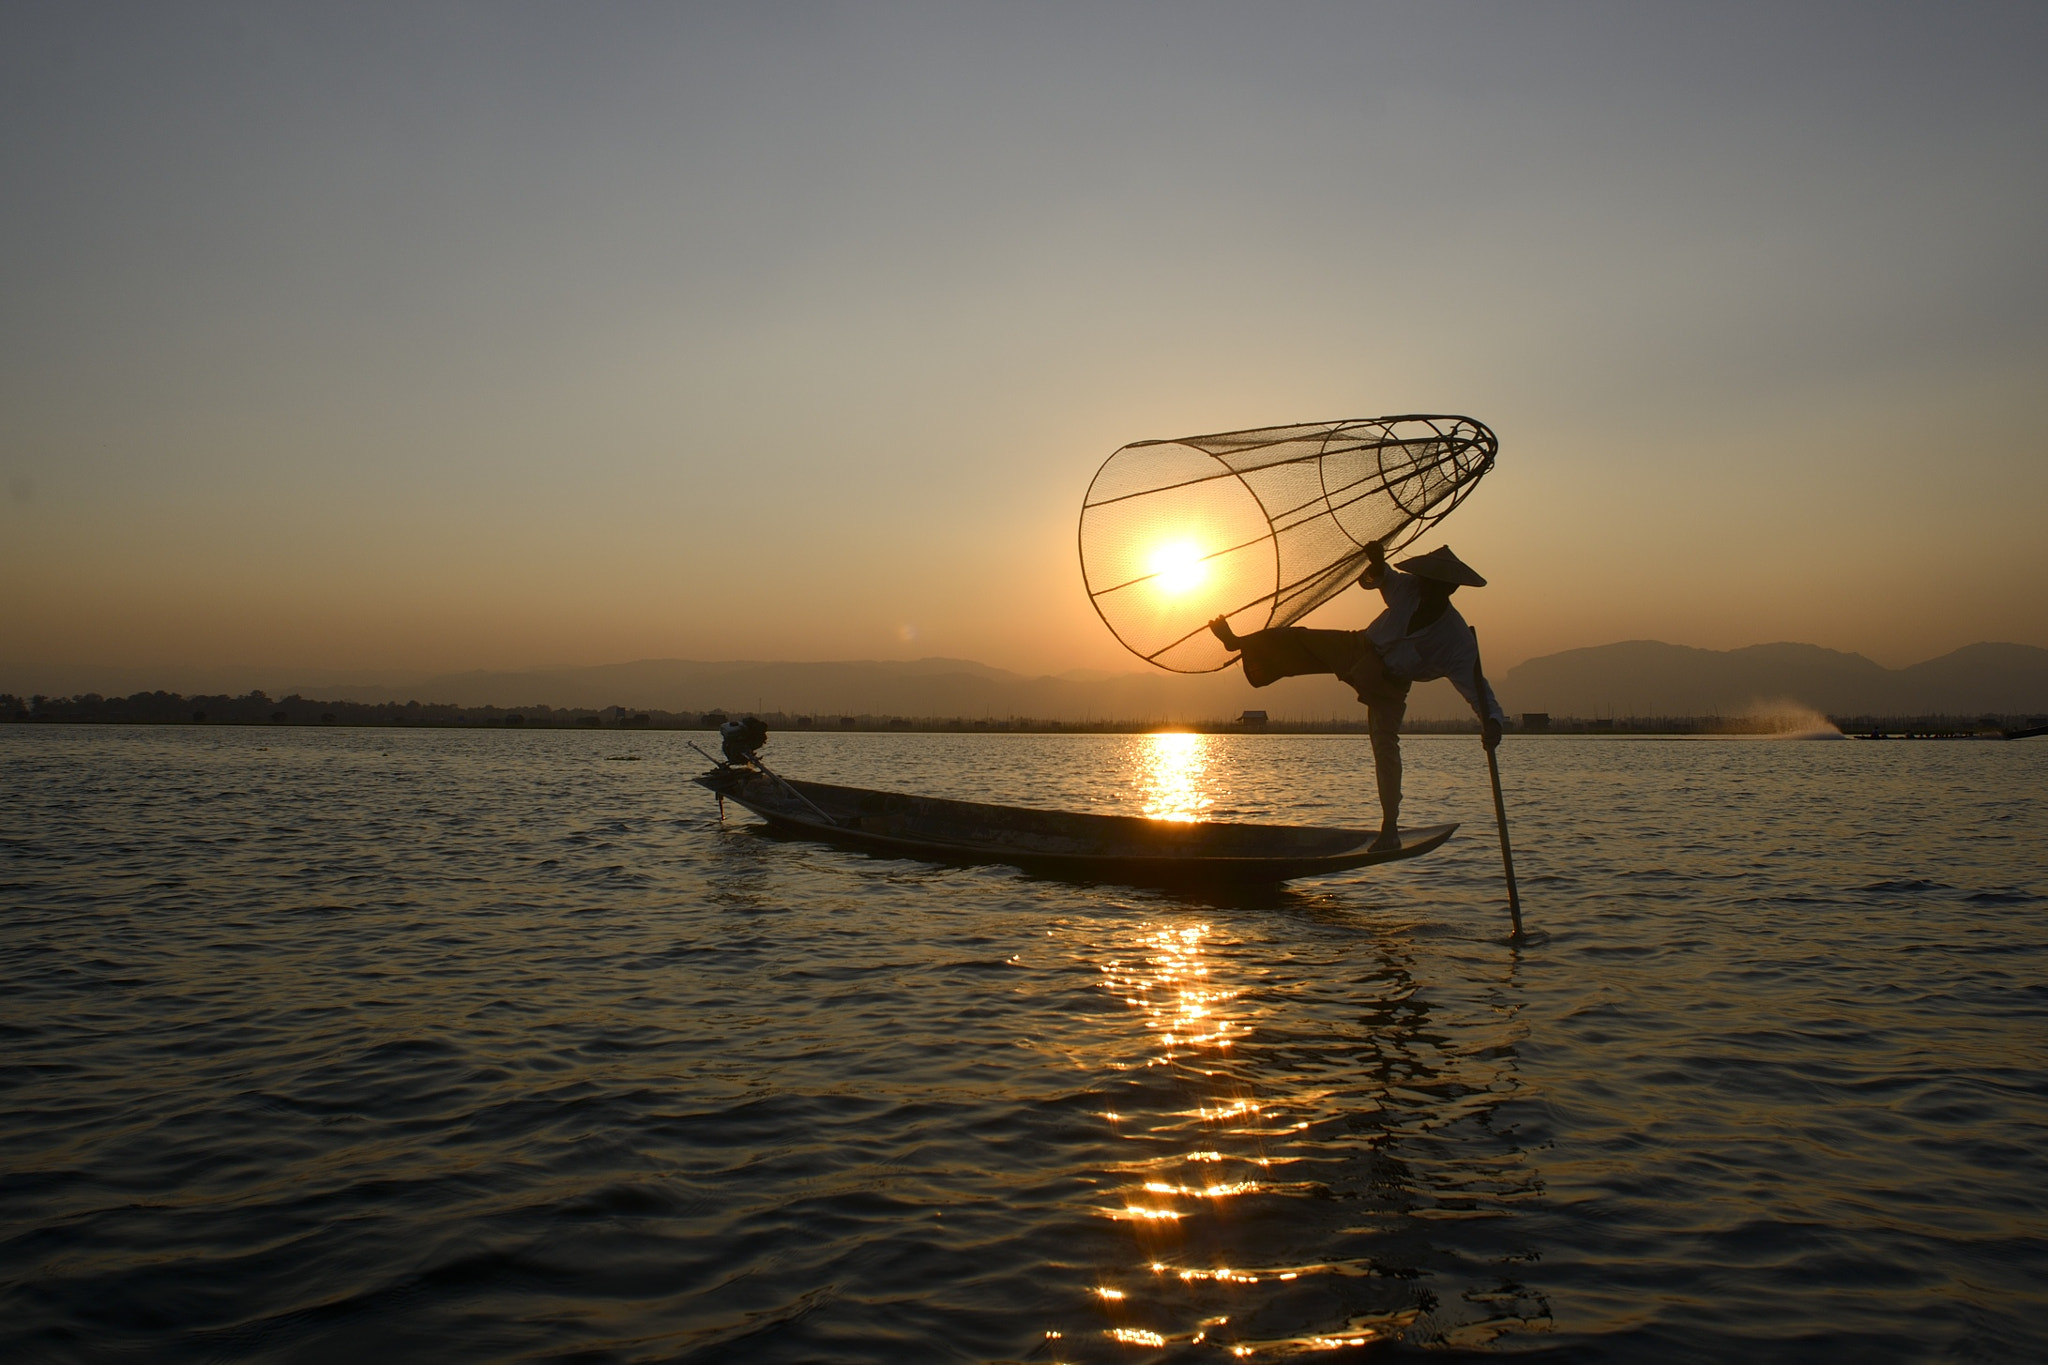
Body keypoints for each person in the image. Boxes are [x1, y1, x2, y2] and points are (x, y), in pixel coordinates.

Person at [1209, 542, 1505, 849]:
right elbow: (1383, 578)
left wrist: (1492, 722)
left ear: (1449, 590)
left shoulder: (1455, 639)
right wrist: (1377, 563)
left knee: (1385, 746)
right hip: (1359, 648)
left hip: (1390, 683)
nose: (1425, 587)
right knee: (1298, 639)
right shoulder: (1410, 589)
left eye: (1434, 584)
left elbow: (1477, 689)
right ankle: (1239, 643)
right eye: (1425, 580)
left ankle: (1389, 828)